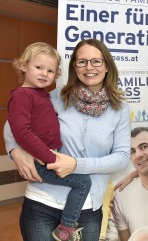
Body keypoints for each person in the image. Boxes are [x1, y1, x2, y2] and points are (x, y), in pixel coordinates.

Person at [3, 38, 131, 241]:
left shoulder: (120, 108)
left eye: (96, 61)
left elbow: (122, 158)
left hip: (88, 208)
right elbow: (14, 124)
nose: (89, 67)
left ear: (107, 66)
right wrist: (15, 151)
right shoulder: (56, 97)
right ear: (75, 67)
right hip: (42, 202)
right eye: (82, 61)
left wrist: (76, 165)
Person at [7, 42, 92, 240]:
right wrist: (49, 158)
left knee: (81, 182)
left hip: (47, 157)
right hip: (43, 161)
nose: (44, 73)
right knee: (82, 183)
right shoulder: (22, 95)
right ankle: (67, 228)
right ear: (23, 65)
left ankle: (67, 225)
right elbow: (21, 132)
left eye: (50, 70)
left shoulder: (44, 95)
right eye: (39, 67)